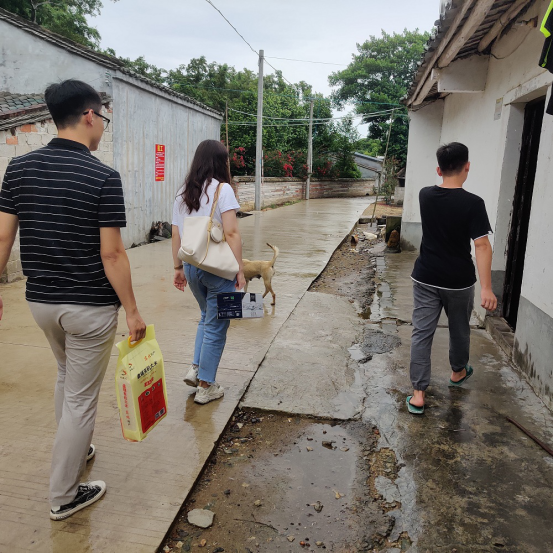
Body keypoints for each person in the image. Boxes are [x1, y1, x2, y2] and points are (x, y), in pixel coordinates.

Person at [0, 80, 147, 519]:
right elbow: (112, 254)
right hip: (89, 308)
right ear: (88, 115)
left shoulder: (18, 168)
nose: (102, 125)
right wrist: (133, 311)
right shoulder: (102, 176)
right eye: (103, 118)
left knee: (67, 375)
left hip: (41, 304)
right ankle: (64, 496)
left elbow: (3, 238)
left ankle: (76, 449)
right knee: (82, 399)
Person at [407, 142, 498, 415]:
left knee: (421, 333)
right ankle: (457, 372)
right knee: (459, 329)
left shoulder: (425, 195)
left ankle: (418, 394)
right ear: (467, 167)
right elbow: (481, 245)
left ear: (439, 170)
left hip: (425, 276)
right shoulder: (474, 204)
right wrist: (487, 288)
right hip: (459, 281)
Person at [172, 140, 245, 405]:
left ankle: (196, 369)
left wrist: (178, 268)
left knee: (206, 317)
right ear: (220, 161)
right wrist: (239, 270)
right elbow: (232, 232)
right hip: (217, 269)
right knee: (216, 325)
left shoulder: (183, 192)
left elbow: (176, 233)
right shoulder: (223, 190)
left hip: (191, 267)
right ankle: (206, 386)